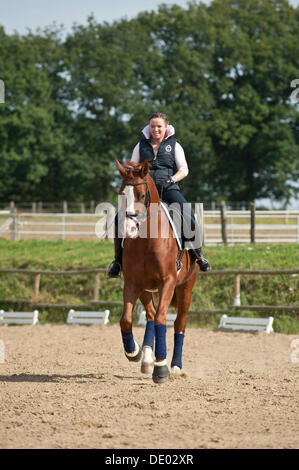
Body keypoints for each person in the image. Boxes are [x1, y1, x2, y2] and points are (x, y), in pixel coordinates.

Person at [107, 112, 211, 277]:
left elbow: (184, 169)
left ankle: (198, 255)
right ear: (149, 127)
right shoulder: (140, 145)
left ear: (166, 127)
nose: (155, 129)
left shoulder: (175, 145)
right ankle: (118, 262)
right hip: (143, 193)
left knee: (188, 215)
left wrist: (171, 180)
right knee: (118, 218)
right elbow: (134, 168)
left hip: (168, 190)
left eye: (159, 126)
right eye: (153, 126)